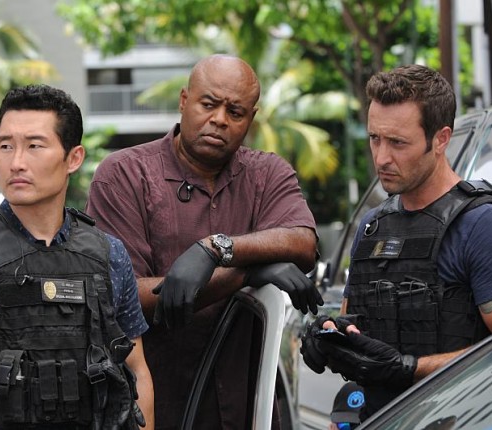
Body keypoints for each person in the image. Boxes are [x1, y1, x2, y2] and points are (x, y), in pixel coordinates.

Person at [85, 54, 323, 429]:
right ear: (184, 100)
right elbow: (124, 298)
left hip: (247, 409)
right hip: (155, 409)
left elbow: (302, 242)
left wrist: (216, 249)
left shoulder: (267, 173)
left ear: (251, 118)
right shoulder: (126, 175)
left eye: (235, 112)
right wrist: (246, 274)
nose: (219, 120)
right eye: (208, 104)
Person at [0, 84, 154, 430]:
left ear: (73, 158)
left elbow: (136, 373)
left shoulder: (110, 255)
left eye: (34, 146)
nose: (16, 162)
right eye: (6, 146)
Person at [301, 64, 492, 421]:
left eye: (397, 142)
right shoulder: (372, 227)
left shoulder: (482, 225)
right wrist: (328, 337)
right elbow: (354, 326)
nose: (381, 157)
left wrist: (411, 369)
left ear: (440, 139)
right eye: (374, 138)